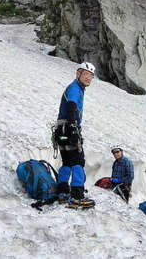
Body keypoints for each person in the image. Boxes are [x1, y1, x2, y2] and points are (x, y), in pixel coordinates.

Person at [54, 62, 96, 208]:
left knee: (67, 161)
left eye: (91, 76)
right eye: (85, 74)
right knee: (78, 161)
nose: (88, 78)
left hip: (61, 130)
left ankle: (62, 193)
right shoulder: (75, 88)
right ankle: (77, 197)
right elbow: (72, 106)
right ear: (78, 74)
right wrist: (73, 128)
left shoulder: (76, 88)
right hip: (69, 128)